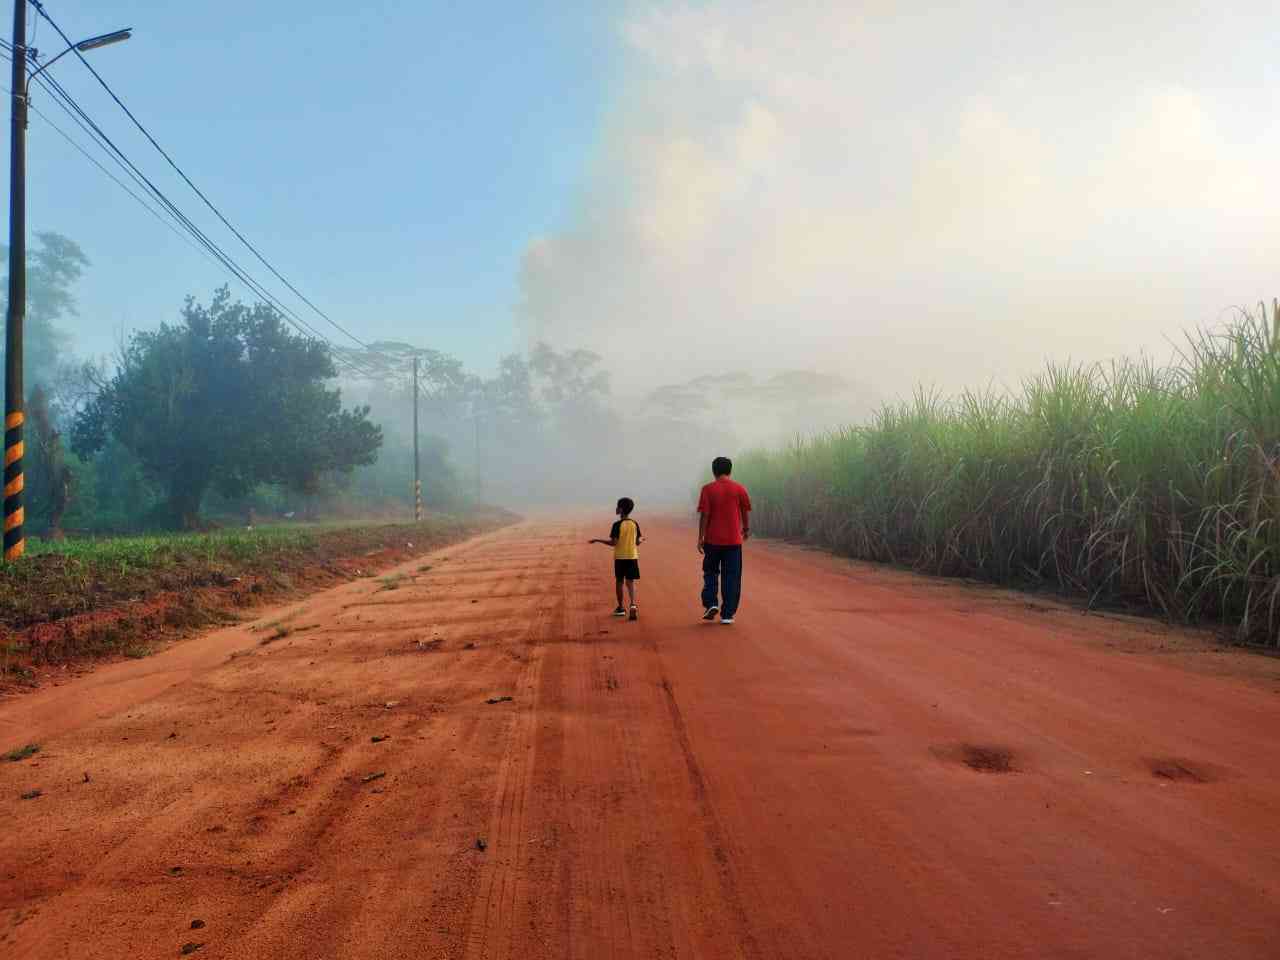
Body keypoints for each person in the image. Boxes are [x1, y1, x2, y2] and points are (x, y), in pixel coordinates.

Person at [697, 456, 751, 624]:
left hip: (712, 541)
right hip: (734, 542)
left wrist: (701, 537)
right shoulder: (739, 489)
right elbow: (745, 511)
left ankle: (711, 603)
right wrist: (746, 529)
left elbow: (705, 515)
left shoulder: (707, 489)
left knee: (710, 572)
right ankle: (727, 614)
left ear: (714, 471)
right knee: (732, 576)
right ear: (730, 470)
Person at [589, 497, 643, 621]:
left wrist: (598, 540)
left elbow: (614, 543)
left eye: (618, 506)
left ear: (621, 509)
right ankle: (633, 604)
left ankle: (620, 608)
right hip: (632, 557)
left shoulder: (617, 525)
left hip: (620, 558)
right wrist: (641, 539)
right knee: (630, 582)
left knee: (619, 582)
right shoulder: (634, 524)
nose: (616, 508)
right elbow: (637, 542)